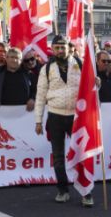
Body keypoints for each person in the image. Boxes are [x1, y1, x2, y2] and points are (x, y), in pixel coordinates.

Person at [34, 35, 91, 207]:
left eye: (63, 47)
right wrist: (38, 120)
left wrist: (97, 83)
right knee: (58, 156)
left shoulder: (80, 64)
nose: (60, 50)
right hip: (55, 116)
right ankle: (63, 190)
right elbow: (40, 95)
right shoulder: (46, 69)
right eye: (57, 47)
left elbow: (90, 88)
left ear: (69, 47)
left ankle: (86, 192)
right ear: (52, 49)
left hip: (76, 117)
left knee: (82, 155)